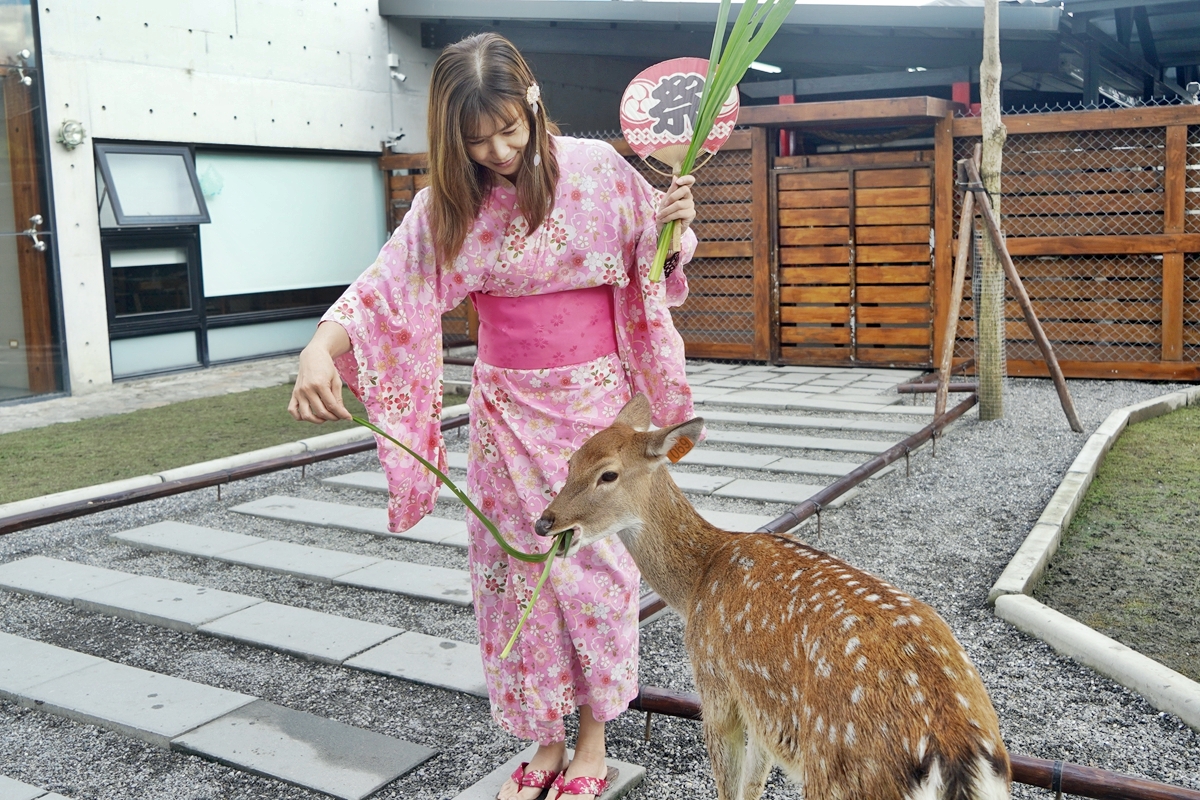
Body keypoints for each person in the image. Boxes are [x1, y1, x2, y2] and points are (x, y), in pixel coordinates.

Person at [289, 33, 697, 800]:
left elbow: (654, 259)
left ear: (533, 102)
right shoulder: (449, 206)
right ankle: (545, 739)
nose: (501, 151)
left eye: (510, 129)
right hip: (505, 411)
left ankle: (595, 740)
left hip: (595, 413)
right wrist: (321, 345)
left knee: (595, 572)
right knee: (513, 575)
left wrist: (672, 226)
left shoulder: (600, 172)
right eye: (478, 141)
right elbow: (386, 289)